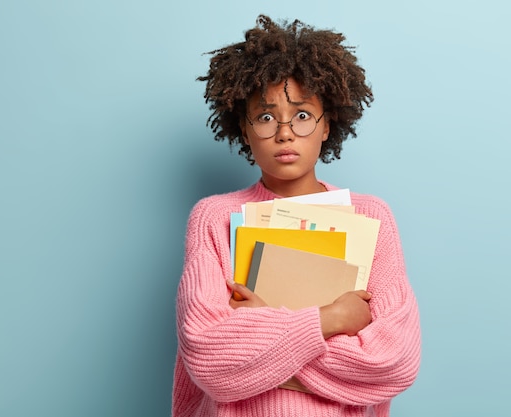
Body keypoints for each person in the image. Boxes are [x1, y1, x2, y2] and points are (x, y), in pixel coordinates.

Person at [172, 15, 421, 417]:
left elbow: (393, 361)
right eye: (266, 117)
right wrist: (331, 319)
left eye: (303, 115)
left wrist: (261, 333)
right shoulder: (213, 218)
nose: (285, 133)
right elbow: (208, 358)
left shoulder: (371, 217)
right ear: (244, 128)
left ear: (327, 125)